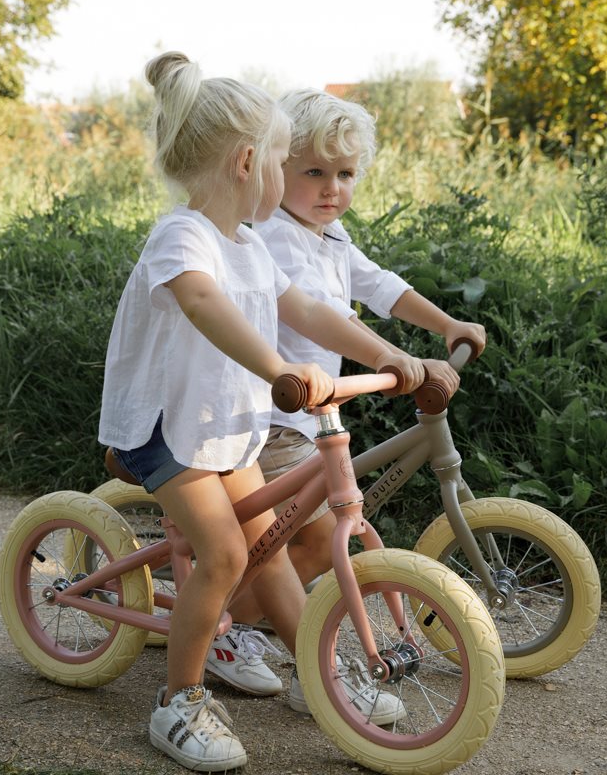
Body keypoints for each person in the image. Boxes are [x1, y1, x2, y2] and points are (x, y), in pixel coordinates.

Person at [98, 54, 426, 772]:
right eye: (284, 159)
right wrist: (279, 368)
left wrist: (386, 353)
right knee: (224, 553)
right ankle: (178, 702)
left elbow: (307, 308)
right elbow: (203, 304)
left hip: (222, 426)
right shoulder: (182, 238)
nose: (285, 176)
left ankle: (318, 671)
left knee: (267, 541)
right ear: (249, 162)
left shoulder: (249, 245)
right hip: (165, 428)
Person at [207, 87, 487, 700]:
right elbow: (319, 315)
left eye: (346, 173)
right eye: (313, 172)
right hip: (272, 416)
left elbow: (380, 286)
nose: (332, 188)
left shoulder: (331, 235)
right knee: (293, 537)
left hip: (316, 413)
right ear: (277, 169)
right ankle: (225, 629)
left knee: (303, 537)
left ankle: (237, 617)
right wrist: (395, 356)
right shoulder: (275, 235)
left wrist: (445, 325)